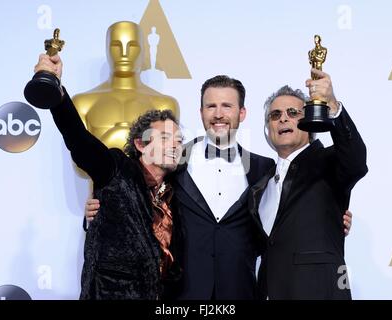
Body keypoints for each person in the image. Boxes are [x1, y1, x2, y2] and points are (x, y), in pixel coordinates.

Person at [86, 75, 354, 300]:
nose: (218, 114)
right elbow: (137, 198)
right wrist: (98, 213)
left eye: (227, 105)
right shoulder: (175, 161)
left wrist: (331, 219)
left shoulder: (265, 169)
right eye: (211, 106)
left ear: (242, 113)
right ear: (201, 112)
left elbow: (287, 218)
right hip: (182, 294)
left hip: (242, 292)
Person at [33, 53, 183, 299]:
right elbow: (78, 139)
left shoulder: (178, 189)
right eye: (165, 138)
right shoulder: (115, 168)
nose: (175, 145)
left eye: (178, 140)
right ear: (141, 144)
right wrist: (55, 91)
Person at [249, 68, 368, 299]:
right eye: (275, 115)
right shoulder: (260, 185)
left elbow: (356, 160)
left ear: (309, 121)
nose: (283, 118)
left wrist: (331, 104)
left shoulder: (329, 162)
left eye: (293, 112)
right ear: (268, 128)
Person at [72, 21, 179, 149]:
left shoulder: (164, 105)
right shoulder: (83, 103)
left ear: (143, 51)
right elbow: (79, 160)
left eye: (132, 46)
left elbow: (169, 157)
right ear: (107, 49)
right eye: (116, 46)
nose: (124, 53)